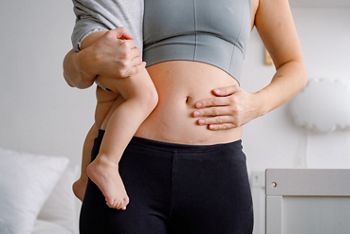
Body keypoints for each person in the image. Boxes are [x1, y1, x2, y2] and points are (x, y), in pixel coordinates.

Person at [63, 0, 308, 233]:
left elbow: (294, 67)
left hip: (217, 170)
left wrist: (255, 104)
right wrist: (87, 59)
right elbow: (74, 70)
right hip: (129, 163)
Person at [69, 0, 156, 210]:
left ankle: (84, 181)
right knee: (145, 96)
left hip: (117, 37)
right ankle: (106, 163)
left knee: (105, 116)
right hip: (102, 34)